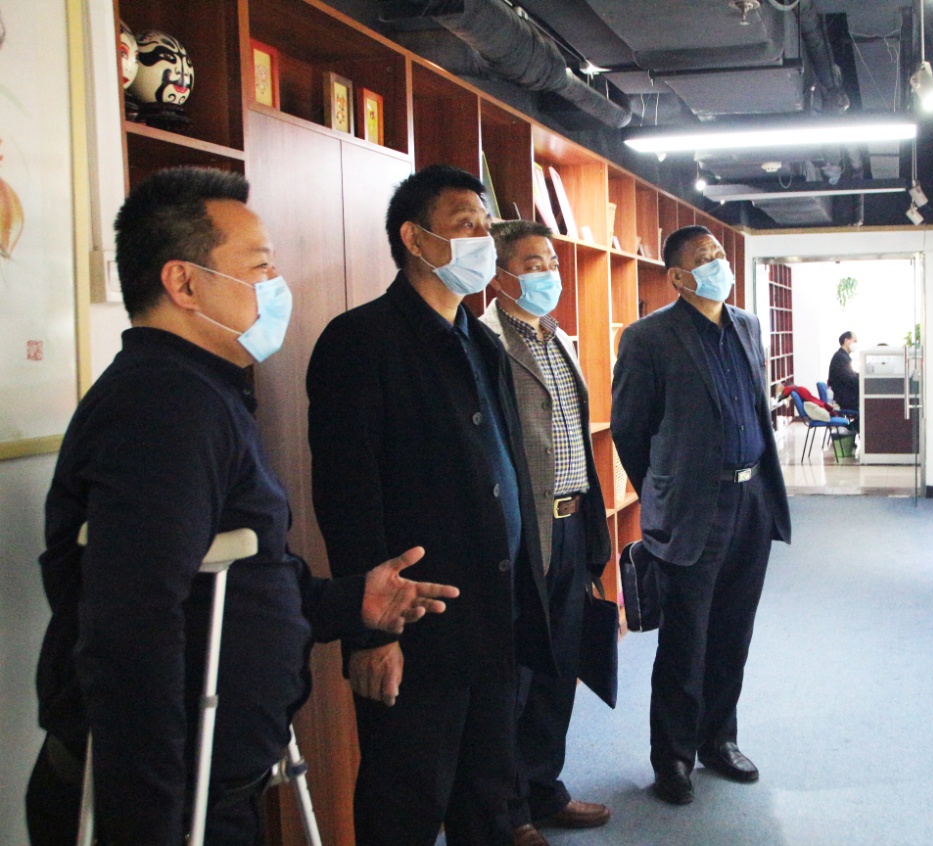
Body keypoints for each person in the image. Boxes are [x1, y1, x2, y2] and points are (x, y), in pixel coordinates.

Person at [26, 166, 459, 846]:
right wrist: (151, 825)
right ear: (184, 283)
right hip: (172, 809)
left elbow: (238, 577)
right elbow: (131, 629)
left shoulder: (199, 392)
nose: (276, 283)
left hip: (209, 790)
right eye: (259, 266)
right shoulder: (162, 408)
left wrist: (349, 602)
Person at [306, 165, 554, 846]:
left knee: (487, 798)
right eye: (465, 225)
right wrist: (372, 634)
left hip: (492, 612)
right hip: (415, 622)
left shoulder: (480, 342)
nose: (482, 239)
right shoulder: (360, 341)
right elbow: (348, 497)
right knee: (405, 801)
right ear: (415, 239)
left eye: (486, 225)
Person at [611, 224, 792, 806]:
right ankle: (673, 757)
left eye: (719, 253)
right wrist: (663, 491)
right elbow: (629, 429)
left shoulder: (748, 326)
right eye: (705, 257)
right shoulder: (648, 338)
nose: (719, 263)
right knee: (685, 640)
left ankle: (719, 740)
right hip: (693, 510)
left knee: (733, 632)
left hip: (752, 501)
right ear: (678, 277)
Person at [480, 220, 614, 846]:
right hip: (523, 534)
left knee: (560, 666)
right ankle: (508, 812)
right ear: (501, 274)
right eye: (533, 264)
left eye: (552, 262)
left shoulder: (557, 337)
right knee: (518, 676)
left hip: (572, 522)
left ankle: (544, 789)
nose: (549, 274)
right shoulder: (484, 343)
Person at [828, 330, 860, 413]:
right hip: (844, 399)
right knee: (869, 404)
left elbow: (850, 375)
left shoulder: (843, 356)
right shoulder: (841, 357)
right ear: (846, 340)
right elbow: (850, 379)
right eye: (855, 341)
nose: (856, 344)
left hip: (843, 395)